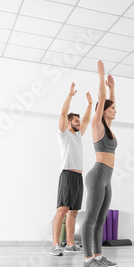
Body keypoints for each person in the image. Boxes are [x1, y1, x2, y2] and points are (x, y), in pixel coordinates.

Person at [81, 61, 118, 267]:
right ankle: (88, 260)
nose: (115, 111)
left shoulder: (108, 128)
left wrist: (113, 88)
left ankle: (99, 256)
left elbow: (108, 101)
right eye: (112, 109)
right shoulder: (96, 125)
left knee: (101, 219)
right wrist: (101, 77)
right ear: (103, 111)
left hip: (107, 177)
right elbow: (102, 100)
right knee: (91, 218)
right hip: (97, 176)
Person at [51, 83, 92, 256]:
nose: (79, 123)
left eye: (79, 121)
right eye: (76, 121)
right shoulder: (64, 134)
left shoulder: (78, 135)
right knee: (62, 210)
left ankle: (70, 244)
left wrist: (90, 105)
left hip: (78, 177)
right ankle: (55, 245)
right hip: (67, 175)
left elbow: (88, 120)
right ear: (69, 123)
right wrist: (69, 96)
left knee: (74, 212)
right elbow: (62, 114)